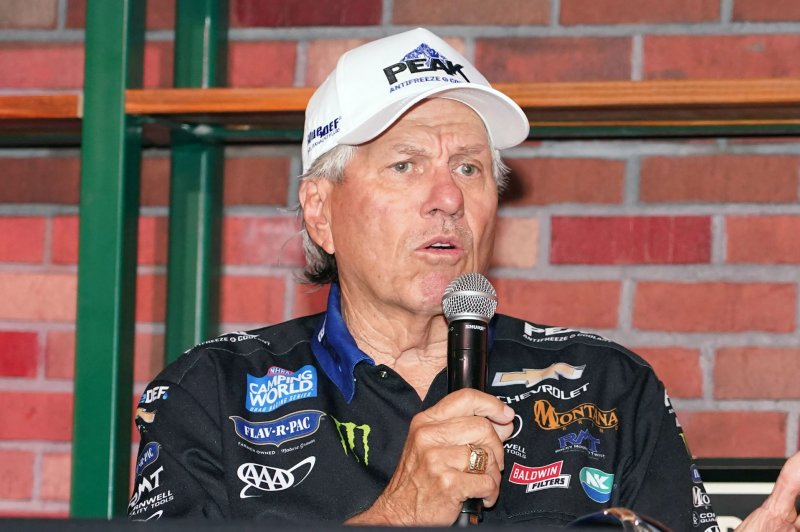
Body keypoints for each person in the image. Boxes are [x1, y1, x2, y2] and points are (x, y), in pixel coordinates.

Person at [127, 28, 798, 530]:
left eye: (471, 168)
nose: (447, 195)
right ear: (321, 212)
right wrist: (399, 515)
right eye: (405, 165)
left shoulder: (608, 388)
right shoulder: (210, 397)